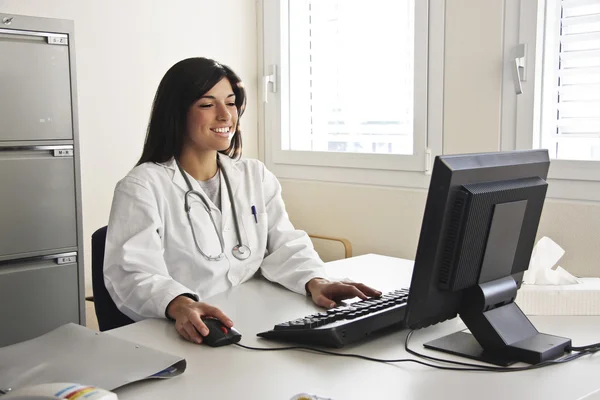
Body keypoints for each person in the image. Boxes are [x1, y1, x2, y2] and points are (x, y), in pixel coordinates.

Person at [104, 57, 381, 344]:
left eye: (231, 102)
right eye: (207, 105)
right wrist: (180, 303)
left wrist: (316, 281)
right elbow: (132, 273)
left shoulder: (254, 175)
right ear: (177, 113)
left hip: (251, 320)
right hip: (186, 333)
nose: (225, 115)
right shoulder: (142, 186)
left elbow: (284, 244)